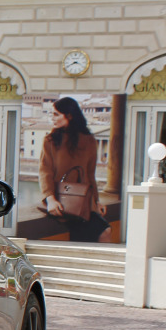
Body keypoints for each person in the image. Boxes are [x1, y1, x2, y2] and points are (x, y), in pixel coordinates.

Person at [39, 97, 110, 242]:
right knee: (100, 233)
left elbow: (90, 174)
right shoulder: (50, 140)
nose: (52, 118)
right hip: (60, 202)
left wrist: (96, 201)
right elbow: (45, 172)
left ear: (69, 116)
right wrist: (50, 199)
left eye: (56, 114)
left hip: (82, 202)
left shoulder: (88, 140)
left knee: (104, 232)